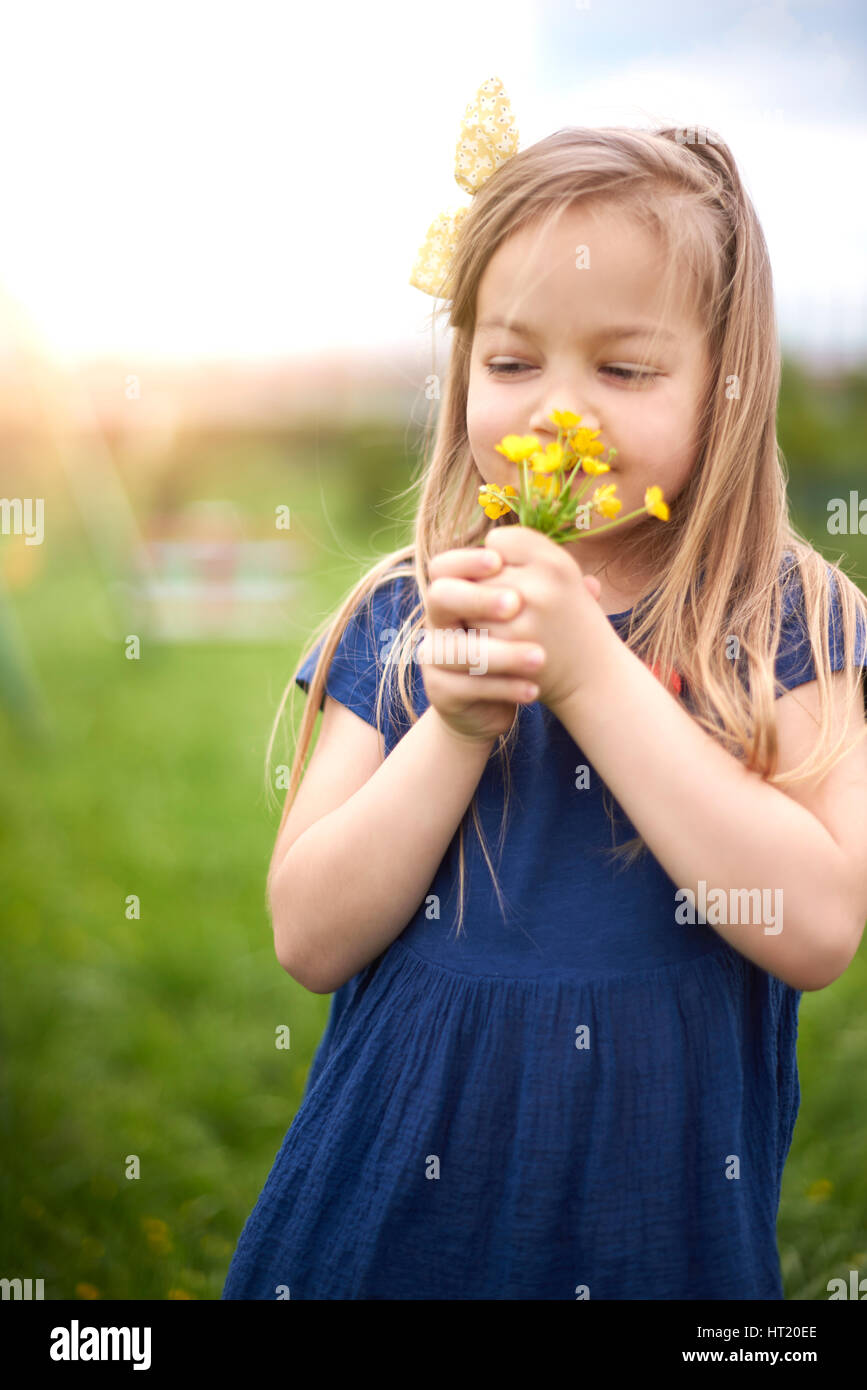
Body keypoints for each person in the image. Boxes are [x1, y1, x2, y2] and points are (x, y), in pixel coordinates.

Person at [222, 79, 867, 1300]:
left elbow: (819, 926)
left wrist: (588, 669)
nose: (559, 408)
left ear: (725, 385)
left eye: (624, 369)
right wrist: (455, 728)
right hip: (393, 1204)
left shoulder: (789, 618)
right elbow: (308, 934)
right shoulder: (409, 611)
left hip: (649, 1214)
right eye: (512, 360)